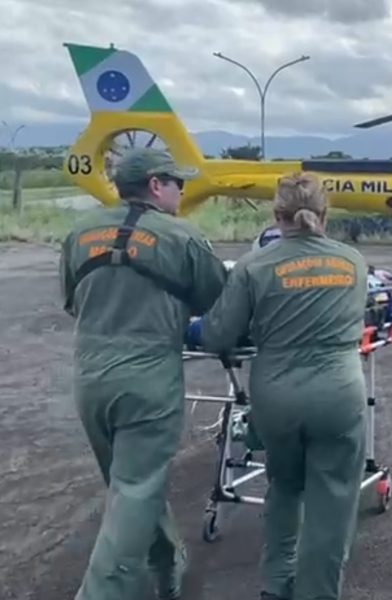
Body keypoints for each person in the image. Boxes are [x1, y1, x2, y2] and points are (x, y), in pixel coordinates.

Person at [59, 147, 228, 600]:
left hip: (90, 378)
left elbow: (72, 301)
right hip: (148, 380)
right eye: (179, 183)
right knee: (134, 490)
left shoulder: (79, 233)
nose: (183, 191)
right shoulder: (182, 238)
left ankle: (167, 565)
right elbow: (219, 305)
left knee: (130, 484)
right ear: (156, 185)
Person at [199, 172, 369, 600]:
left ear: (276, 217)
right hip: (337, 393)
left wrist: (189, 330)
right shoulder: (353, 262)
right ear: (325, 214)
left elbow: (219, 335)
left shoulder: (255, 266)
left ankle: (276, 587)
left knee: (284, 486)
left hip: (276, 398)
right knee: (331, 504)